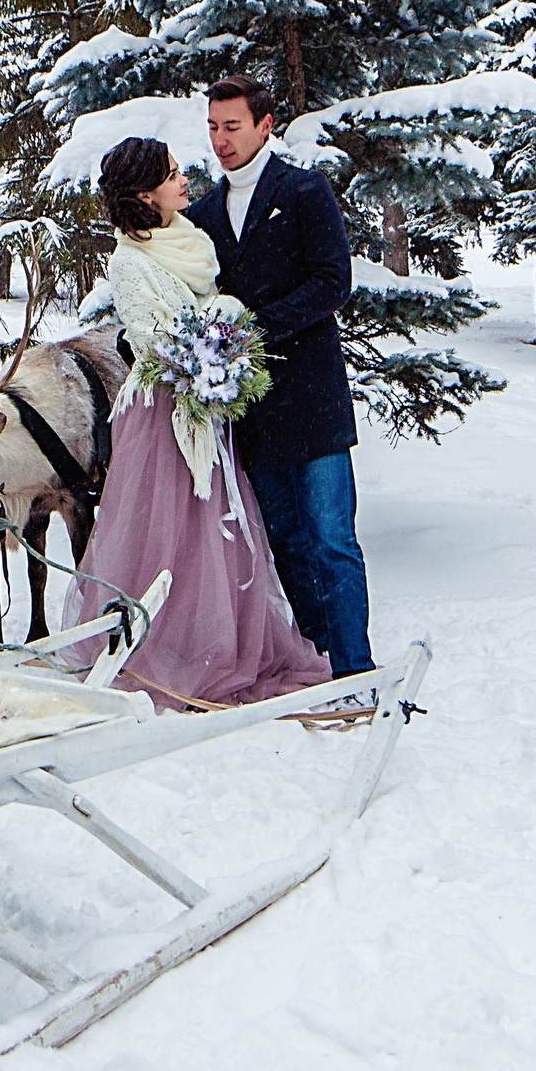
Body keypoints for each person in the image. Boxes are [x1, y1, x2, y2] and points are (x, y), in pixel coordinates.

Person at [58, 137, 330, 709]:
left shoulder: (189, 239)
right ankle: (166, 654)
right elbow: (158, 342)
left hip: (206, 409)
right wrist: (215, 331)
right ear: (144, 193)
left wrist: (224, 335)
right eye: (172, 174)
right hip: (164, 415)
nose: (186, 180)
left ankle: (216, 644)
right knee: (167, 534)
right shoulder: (128, 261)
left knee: (216, 536)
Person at [183, 75, 375, 685]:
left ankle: (358, 670)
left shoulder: (304, 191)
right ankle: (320, 665)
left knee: (332, 542)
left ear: (265, 125)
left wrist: (253, 329)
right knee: (287, 544)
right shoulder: (205, 213)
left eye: (232, 126)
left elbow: (331, 282)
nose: (220, 140)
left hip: (313, 403)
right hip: (252, 415)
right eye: (213, 127)